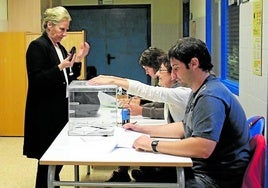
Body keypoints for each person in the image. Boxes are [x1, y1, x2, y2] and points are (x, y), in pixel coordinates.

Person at [122, 37, 251, 187]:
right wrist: (141, 129)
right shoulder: (199, 89)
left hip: (214, 178)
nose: (174, 76)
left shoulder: (210, 96)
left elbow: (203, 147)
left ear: (194, 63)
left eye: (176, 68)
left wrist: (153, 143)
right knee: (147, 174)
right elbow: (184, 127)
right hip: (204, 169)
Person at [88, 55, 191, 182]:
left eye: (161, 70)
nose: (158, 73)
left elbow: (149, 92)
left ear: (173, 75)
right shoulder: (174, 92)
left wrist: (112, 80)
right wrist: (140, 128)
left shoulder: (181, 92)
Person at [23, 6, 90, 188]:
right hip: (44, 113)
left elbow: (67, 77)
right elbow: (36, 80)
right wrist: (60, 67)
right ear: (49, 25)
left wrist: (77, 61)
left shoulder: (58, 47)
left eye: (66, 29)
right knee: (47, 161)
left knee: (56, 159)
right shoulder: (37, 46)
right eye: (62, 29)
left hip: (59, 110)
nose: (65, 34)